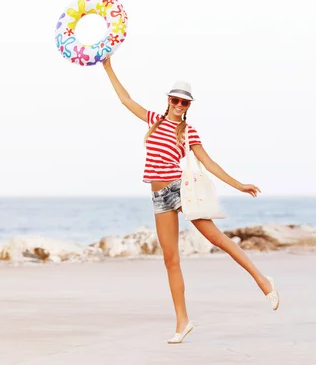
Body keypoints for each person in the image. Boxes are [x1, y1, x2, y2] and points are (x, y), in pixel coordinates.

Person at [101, 57, 279, 344]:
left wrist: (238, 184)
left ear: (188, 107)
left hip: (179, 190)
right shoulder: (153, 121)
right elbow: (125, 99)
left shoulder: (188, 132)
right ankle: (182, 322)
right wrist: (108, 67)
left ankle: (262, 280)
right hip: (158, 197)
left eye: (184, 103)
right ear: (168, 100)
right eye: (175, 100)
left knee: (217, 238)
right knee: (171, 259)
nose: (179, 105)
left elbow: (208, 162)